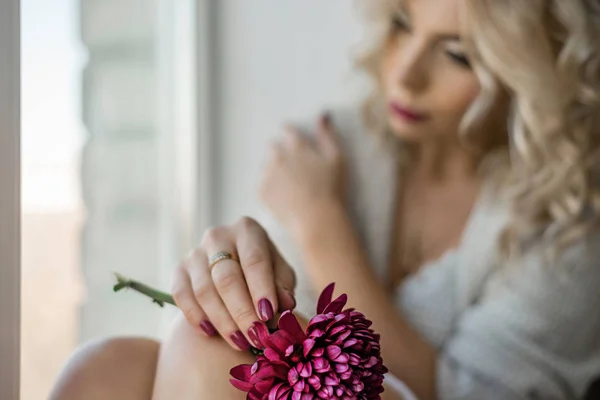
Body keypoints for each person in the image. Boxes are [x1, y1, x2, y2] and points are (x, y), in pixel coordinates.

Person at [50, 0, 600, 399]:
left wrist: (320, 223)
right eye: (403, 24)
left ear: (529, 73)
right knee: (102, 372)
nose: (406, 74)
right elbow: (262, 338)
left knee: (200, 356)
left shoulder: (571, 222)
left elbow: (462, 393)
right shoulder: (335, 149)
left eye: (457, 55)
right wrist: (228, 279)